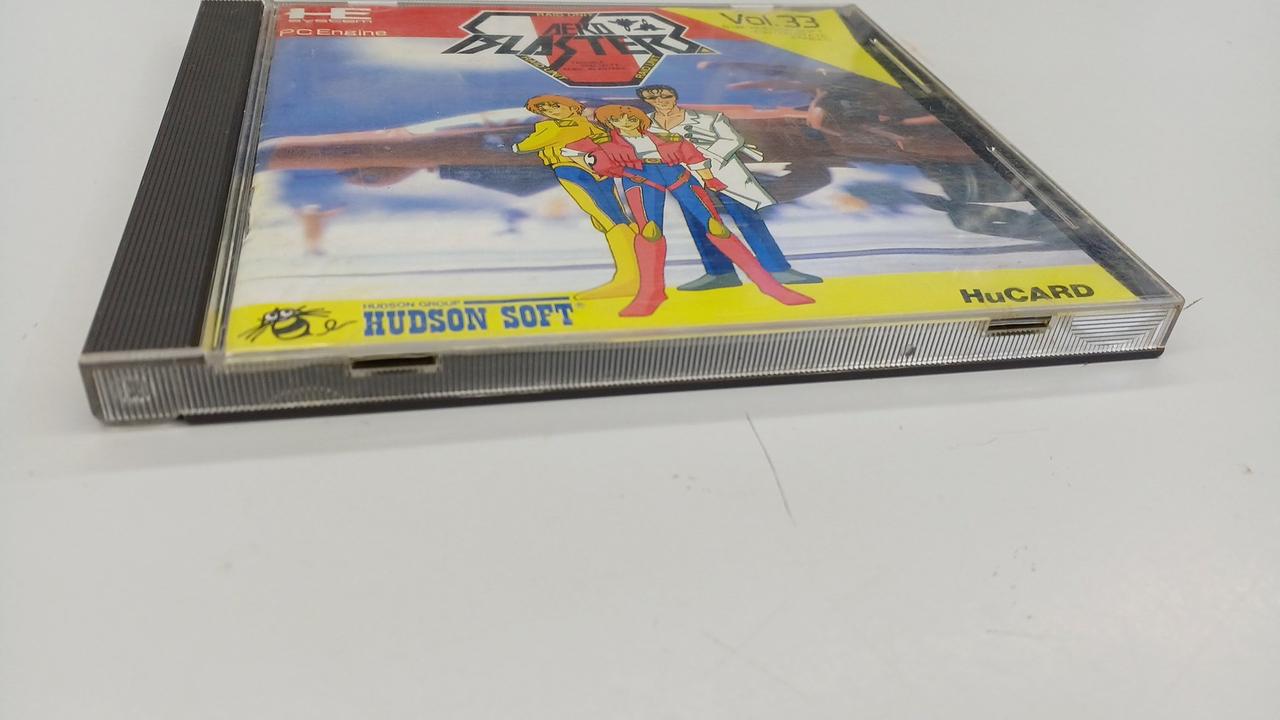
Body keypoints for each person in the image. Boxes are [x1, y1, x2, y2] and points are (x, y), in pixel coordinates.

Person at [566, 105, 814, 317]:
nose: (625, 122)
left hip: (679, 176)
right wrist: (608, 166)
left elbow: (692, 156)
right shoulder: (608, 145)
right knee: (649, 232)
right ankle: (650, 293)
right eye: (617, 119)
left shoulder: (664, 137)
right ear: (609, 123)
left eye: (629, 117)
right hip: (641, 181)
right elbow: (584, 156)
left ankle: (770, 286)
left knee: (716, 227)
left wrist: (710, 179)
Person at [636, 85, 822, 291]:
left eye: (665, 96)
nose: (661, 101)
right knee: (700, 225)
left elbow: (732, 139)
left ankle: (778, 269)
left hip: (724, 175)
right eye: (653, 98)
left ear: (674, 97)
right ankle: (720, 273)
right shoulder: (645, 124)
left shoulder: (707, 119)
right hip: (683, 179)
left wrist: (702, 156)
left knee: (747, 220)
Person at [513, 95, 639, 299]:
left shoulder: (553, 127)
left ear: (572, 108)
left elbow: (525, 146)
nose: (550, 111)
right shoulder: (585, 125)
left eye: (555, 106)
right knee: (614, 218)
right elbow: (605, 140)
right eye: (544, 109)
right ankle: (638, 275)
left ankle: (629, 279)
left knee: (609, 221)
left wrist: (516, 146)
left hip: (573, 171)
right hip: (597, 170)